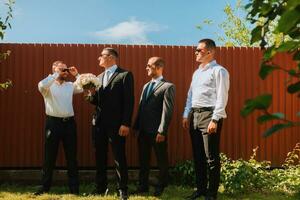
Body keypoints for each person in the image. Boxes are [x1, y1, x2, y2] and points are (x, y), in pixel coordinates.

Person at [183, 39, 230, 200]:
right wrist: (185, 114)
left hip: (209, 116)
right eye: (195, 50)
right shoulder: (196, 73)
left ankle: (211, 193)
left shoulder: (219, 71)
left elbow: (222, 97)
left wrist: (215, 119)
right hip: (195, 116)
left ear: (209, 52)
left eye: (199, 50)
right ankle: (201, 189)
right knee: (198, 156)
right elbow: (191, 95)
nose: (195, 52)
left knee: (211, 158)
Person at [85, 47, 134, 200]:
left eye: (102, 56)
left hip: (117, 124)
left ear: (111, 57)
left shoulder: (125, 75)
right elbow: (95, 102)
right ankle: (100, 187)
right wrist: (91, 94)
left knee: (119, 156)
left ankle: (122, 189)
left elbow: (129, 101)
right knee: (99, 156)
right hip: (98, 124)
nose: (99, 58)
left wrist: (125, 123)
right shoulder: (98, 77)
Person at [35, 61, 82, 195]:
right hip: (53, 124)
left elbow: (85, 86)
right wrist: (56, 74)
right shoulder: (48, 87)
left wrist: (76, 74)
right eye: (61, 69)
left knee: (72, 157)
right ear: (54, 70)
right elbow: (41, 85)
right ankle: (45, 187)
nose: (64, 72)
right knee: (49, 156)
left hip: (69, 124)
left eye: (65, 69)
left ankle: (74, 189)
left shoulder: (70, 86)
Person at [133, 57, 175, 196]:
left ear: (158, 67)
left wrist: (162, 131)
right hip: (143, 131)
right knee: (143, 160)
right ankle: (143, 186)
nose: (146, 68)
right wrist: (136, 127)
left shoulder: (168, 86)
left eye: (149, 66)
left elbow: (167, 111)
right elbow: (141, 107)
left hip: (157, 132)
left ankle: (161, 185)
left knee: (161, 160)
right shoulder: (146, 86)